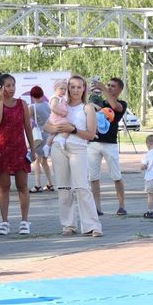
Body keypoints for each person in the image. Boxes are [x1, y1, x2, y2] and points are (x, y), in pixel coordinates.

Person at [44, 74, 102, 238]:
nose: (75, 90)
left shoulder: (87, 107)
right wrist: (59, 129)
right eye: (72, 86)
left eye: (79, 87)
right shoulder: (61, 104)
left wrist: (73, 129)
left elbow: (91, 134)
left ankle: (92, 225)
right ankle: (68, 224)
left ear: (84, 89)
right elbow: (47, 126)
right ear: (67, 88)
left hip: (78, 148)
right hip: (58, 147)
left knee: (82, 187)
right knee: (63, 188)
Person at [0, 72, 33, 235]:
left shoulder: (22, 104)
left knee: (22, 186)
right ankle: (4, 221)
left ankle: (24, 221)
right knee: (4, 187)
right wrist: (0, 100)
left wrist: (32, 150)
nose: (11, 88)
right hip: (2, 150)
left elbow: (27, 127)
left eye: (13, 85)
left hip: (19, 148)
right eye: (7, 86)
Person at [88, 76, 129, 216]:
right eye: (108, 85)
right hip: (94, 143)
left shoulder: (122, 104)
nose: (109, 87)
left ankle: (121, 206)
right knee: (93, 177)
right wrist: (91, 91)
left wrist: (103, 88)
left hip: (110, 144)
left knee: (116, 176)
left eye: (113, 86)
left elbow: (114, 106)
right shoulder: (101, 101)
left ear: (120, 89)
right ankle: (97, 207)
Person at [27, 84, 55, 193]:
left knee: (37, 161)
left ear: (32, 96)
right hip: (48, 134)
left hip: (39, 136)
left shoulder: (32, 107)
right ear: (42, 94)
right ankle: (50, 183)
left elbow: (28, 122)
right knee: (44, 161)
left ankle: (37, 184)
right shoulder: (48, 105)